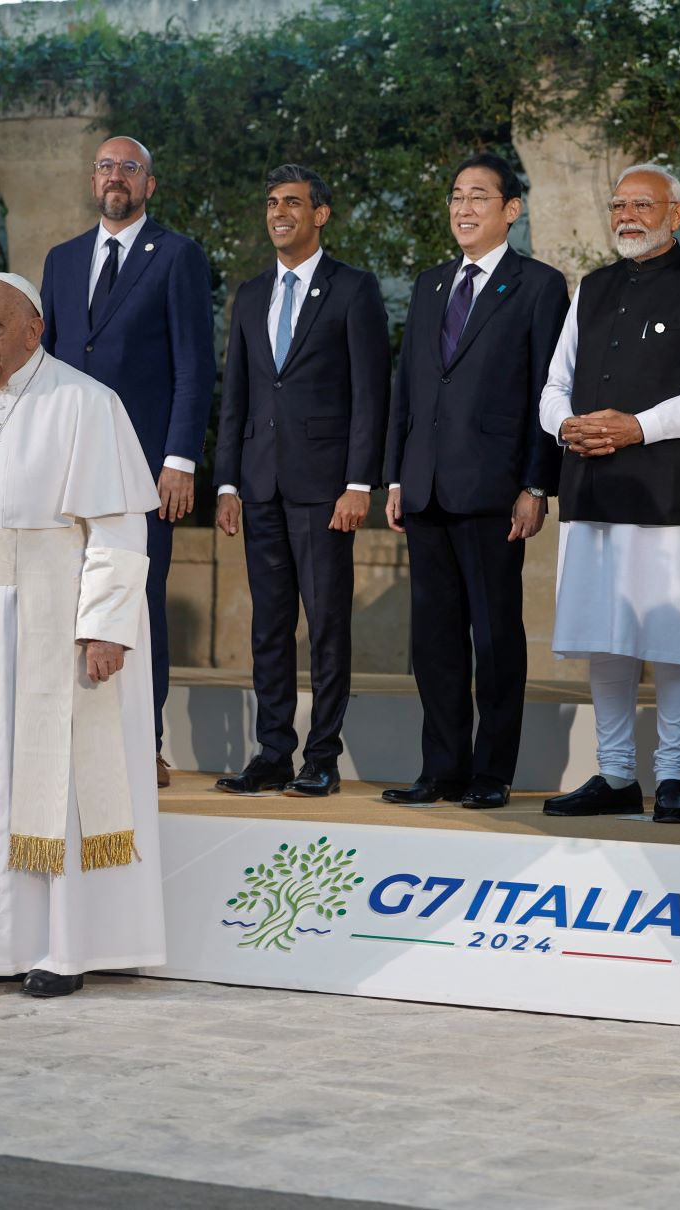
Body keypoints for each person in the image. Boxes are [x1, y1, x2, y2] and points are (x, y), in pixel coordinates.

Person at [0, 274, 166, 997]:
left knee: (64, 780)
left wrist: (105, 628)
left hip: (60, 615)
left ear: (33, 330)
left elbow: (117, 527)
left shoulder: (84, 402)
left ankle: (64, 946)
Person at [538, 164, 680, 824]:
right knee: (607, 637)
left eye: (642, 204)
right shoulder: (591, 288)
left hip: (668, 495)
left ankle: (675, 776)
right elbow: (552, 386)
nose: (627, 215)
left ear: (676, 214)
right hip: (592, 486)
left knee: (669, 637)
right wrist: (565, 425)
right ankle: (617, 774)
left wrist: (638, 427)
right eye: (618, 204)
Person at [381, 153, 569, 809]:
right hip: (425, 486)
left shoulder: (539, 287)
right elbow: (406, 387)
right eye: (456, 196)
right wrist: (396, 477)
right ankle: (441, 769)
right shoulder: (431, 284)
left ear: (510, 211)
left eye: (478, 197)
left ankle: (492, 771)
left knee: (493, 637)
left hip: (495, 492)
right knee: (432, 640)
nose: (463, 208)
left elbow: (551, 390)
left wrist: (535, 485)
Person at [40, 136, 216, 789]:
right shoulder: (61, 260)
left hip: (144, 469)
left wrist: (180, 460)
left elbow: (195, 367)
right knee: (65, 603)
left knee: (135, 602)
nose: (116, 178)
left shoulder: (177, 256)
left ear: (149, 184)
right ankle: (71, 738)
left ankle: (145, 741)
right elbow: (46, 365)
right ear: (94, 180)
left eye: (130, 168)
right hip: (66, 470)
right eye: (107, 167)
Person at [213, 165, 390, 798]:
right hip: (259, 486)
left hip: (325, 490)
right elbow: (236, 393)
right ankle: (272, 753)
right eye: (271, 202)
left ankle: (322, 757)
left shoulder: (354, 290)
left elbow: (372, 395)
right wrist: (227, 483)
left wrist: (359, 483)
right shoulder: (251, 293)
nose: (279, 212)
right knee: (269, 627)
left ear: (321, 215)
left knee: (327, 625)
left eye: (293, 202)